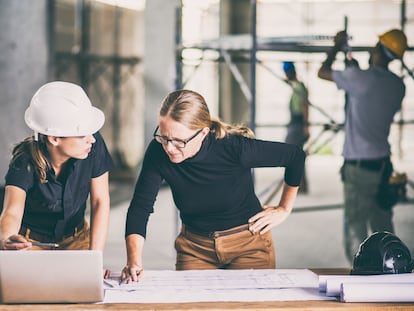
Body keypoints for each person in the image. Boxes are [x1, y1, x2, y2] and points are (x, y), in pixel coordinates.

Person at [121, 89, 306, 282]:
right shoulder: (158, 152)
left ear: (203, 133)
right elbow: (140, 207)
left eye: (179, 141)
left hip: (248, 244)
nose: (169, 147)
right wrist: (134, 260)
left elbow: (295, 156)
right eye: (164, 137)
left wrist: (284, 208)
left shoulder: (234, 148)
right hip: (195, 248)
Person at [317, 29, 408, 263]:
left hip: (359, 169)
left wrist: (337, 47)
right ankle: (391, 269)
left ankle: (361, 273)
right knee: (383, 225)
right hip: (383, 166)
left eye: (375, 46)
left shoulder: (360, 79)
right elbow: (369, 90)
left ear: (379, 51)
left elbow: (323, 72)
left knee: (356, 228)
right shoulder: (398, 86)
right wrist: (354, 72)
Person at [0, 81, 113, 257]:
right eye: (82, 134)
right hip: (31, 243)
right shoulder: (25, 162)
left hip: (77, 238)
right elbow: (11, 211)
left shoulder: (92, 146)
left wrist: (94, 258)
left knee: (85, 284)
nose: (92, 139)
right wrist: (6, 239)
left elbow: (100, 202)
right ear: (54, 138)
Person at [282, 61, 310, 192]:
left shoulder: (300, 88)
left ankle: (298, 185)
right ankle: (300, 185)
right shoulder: (296, 87)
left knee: (292, 154)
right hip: (295, 123)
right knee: (295, 154)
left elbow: (304, 107)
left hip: (298, 124)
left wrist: (306, 126)